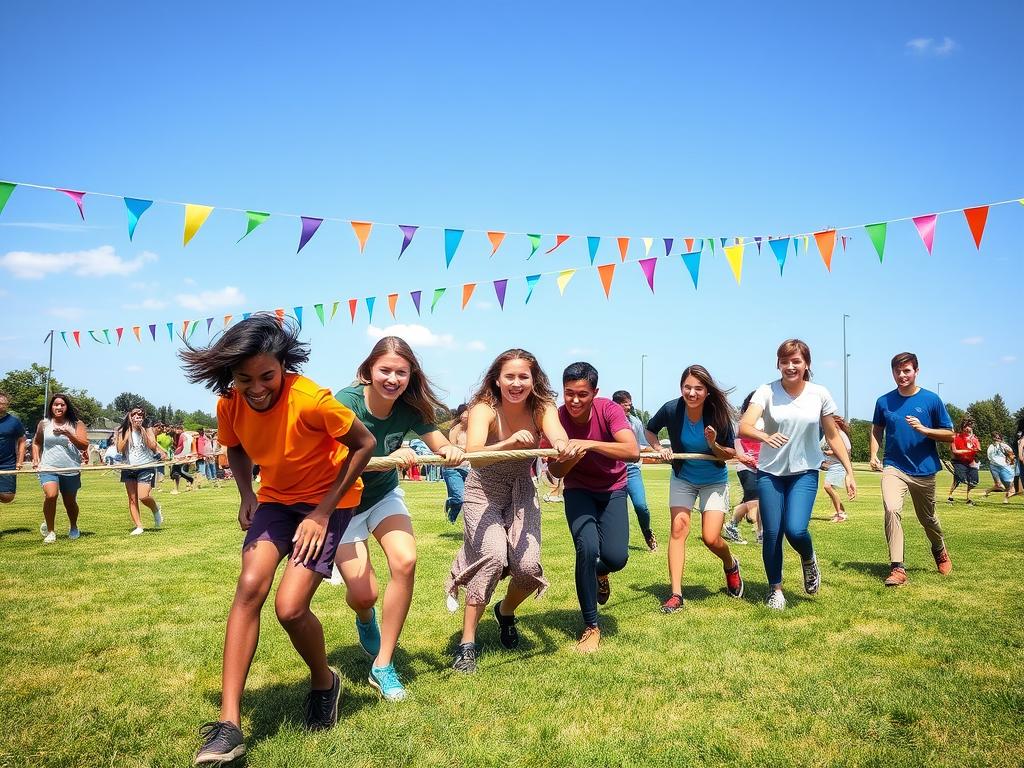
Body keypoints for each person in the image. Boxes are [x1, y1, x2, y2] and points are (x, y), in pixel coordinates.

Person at [180, 314, 375, 766]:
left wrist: (323, 514)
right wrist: (247, 493)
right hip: (275, 501)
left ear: (283, 366)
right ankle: (229, 724)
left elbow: (363, 445)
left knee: (289, 608)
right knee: (249, 586)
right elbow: (235, 445)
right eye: (243, 378)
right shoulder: (229, 403)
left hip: (328, 503)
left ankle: (325, 681)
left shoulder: (311, 399)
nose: (256, 387)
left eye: (266, 376)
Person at [332, 336, 464, 702]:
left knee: (405, 562)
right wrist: (398, 451)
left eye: (401, 372)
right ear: (369, 370)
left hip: (383, 497)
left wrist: (449, 449)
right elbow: (328, 455)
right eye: (385, 370)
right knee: (364, 595)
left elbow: (439, 444)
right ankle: (364, 618)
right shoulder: (347, 403)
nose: (393, 378)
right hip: (343, 504)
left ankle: (383, 665)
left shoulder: (410, 407)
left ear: (411, 375)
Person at [445, 348, 572, 673]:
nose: (516, 383)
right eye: (510, 376)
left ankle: (505, 611)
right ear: (497, 379)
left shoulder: (541, 406)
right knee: (492, 557)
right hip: (483, 490)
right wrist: (509, 443)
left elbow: (557, 434)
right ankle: (467, 643)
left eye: (523, 377)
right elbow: (475, 455)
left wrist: (561, 444)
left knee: (528, 568)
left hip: (521, 490)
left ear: (534, 380)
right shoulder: (483, 409)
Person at [739, 339, 855, 610]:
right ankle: (775, 590)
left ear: (806, 365)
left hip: (805, 471)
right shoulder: (766, 391)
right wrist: (765, 436)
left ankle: (808, 557)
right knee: (772, 533)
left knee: (795, 529)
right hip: (770, 472)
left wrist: (849, 471)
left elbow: (832, 434)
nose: (790, 367)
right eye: (785, 361)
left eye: (796, 361)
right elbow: (744, 426)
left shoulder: (819, 394)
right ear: (778, 364)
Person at [546, 363, 638, 652]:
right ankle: (591, 626)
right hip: (579, 491)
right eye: (569, 393)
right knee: (586, 548)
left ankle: (600, 572)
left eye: (582, 394)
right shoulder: (557, 418)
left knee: (617, 557)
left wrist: (588, 444)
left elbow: (632, 450)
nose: (574, 401)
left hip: (613, 489)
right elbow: (557, 472)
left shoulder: (609, 409)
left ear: (595, 392)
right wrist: (573, 455)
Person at [648, 365, 744, 613]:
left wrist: (713, 443)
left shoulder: (717, 413)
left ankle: (730, 563)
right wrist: (659, 448)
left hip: (713, 479)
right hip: (683, 477)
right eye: (687, 387)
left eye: (698, 388)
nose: (692, 393)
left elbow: (729, 454)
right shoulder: (672, 409)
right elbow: (650, 430)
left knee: (711, 538)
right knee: (678, 529)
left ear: (707, 391)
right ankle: (676, 594)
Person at [869, 352, 955, 586]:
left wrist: (925, 430)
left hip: (924, 470)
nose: (902, 375)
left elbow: (949, 434)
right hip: (894, 467)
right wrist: (873, 454)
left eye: (907, 370)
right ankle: (897, 568)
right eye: (897, 371)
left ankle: (939, 550)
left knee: (927, 518)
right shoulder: (883, 401)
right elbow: (877, 429)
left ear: (916, 371)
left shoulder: (931, 400)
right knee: (891, 509)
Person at [33, 393, 89, 543]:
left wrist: (67, 433)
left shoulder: (77, 424)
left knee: (69, 501)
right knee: (51, 495)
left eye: (62, 404)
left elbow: (84, 445)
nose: (58, 407)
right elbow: (36, 442)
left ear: (67, 407)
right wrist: (36, 459)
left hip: (70, 468)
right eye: (56, 404)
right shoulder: (44, 424)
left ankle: (74, 527)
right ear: (51, 407)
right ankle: (51, 531)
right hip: (48, 467)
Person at [611, 390, 659, 551]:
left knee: (641, 506)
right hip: (613, 470)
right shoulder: (608, 420)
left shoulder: (635, 422)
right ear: (616, 404)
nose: (628, 407)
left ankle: (647, 532)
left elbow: (642, 445)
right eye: (625, 404)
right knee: (618, 510)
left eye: (630, 403)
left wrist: (657, 452)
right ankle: (617, 543)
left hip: (632, 469)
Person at [116, 407, 164, 535]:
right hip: (129, 467)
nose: (138, 416)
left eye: (141, 414)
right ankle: (139, 526)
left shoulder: (147, 429)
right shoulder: (123, 430)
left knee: (143, 496)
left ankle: (155, 509)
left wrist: (142, 430)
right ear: (130, 416)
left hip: (145, 466)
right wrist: (127, 433)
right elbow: (120, 448)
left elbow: (153, 447)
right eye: (135, 414)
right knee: (132, 499)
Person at [723, 391, 762, 546]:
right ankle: (760, 535)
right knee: (755, 502)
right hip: (746, 467)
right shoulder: (744, 422)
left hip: (761, 467)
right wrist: (741, 456)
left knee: (753, 501)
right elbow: (737, 441)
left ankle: (732, 525)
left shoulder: (766, 421)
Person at [442, 404, 471, 522]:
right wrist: (465, 448)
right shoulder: (455, 430)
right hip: (453, 469)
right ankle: (451, 507)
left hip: (469, 468)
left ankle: (467, 524)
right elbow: (451, 448)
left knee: (470, 499)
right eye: (465, 415)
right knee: (459, 499)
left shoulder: (475, 430)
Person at [821, 415, 853, 522]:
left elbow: (847, 450)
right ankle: (841, 511)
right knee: (829, 487)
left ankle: (840, 514)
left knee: (828, 486)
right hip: (832, 465)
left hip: (839, 465)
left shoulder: (840, 434)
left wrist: (831, 452)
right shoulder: (828, 434)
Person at [0, 392, 26, 505]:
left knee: (8, 497)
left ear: (7, 404)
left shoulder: (14, 421)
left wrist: (20, 461)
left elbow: (22, 440)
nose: (1, 406)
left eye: (3, 403)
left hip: (8, 463)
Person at [947, 417, 980, 505]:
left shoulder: (974, 438)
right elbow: (954, 451)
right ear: (962, 428)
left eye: (970, 427)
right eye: (966, 427)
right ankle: (950, 495)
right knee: (959, 480)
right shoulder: (956, 437)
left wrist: (974, 446)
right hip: (958, 461)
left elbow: (978, 449)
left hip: (971, 462)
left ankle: (968, 497)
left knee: (973, 481)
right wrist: (967, 451)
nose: (968, 429)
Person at [984, 432, 1017, 503]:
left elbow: (1012, 455)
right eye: (995, 437)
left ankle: (1005, 498)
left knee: (1011, 485)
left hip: (1005, 467)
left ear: (1001, 439)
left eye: (998, 437)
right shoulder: (991, 447)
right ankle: (1005, 498)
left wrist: (1010, 461)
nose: (996, 439)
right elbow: (990, 457)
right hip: (994, 467)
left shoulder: (1005, 446)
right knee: (999, 485)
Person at [170, 426, 197, 494]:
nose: (177, 430)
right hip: (182, 457)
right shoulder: (180, 436)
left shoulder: (184, 436)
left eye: (179, 429)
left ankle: (176, 489)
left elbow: (185, 448)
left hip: (181, 457)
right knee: (179, 472)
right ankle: (190, 480)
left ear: (182, 429)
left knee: (175, 473)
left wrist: (184, 457)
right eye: (177, 429)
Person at [154, 422, 173, 489]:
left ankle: (162, 480)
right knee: (159, 467)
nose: (167, 429)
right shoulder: (159, 436)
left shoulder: (169, 437)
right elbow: (155, 443)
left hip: (166, 453)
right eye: (165, 427)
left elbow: (170, 445)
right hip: (158, 453)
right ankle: (158, 481)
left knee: (165, 466)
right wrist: (162, 450)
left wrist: (168, 452)